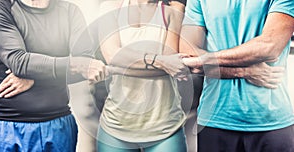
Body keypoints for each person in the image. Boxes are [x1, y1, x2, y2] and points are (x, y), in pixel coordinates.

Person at [180, 0, 294, 151]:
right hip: (215, 118)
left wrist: (205, 60)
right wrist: (244, 72)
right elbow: (188, 54)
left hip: (271, 120)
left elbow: (270, 46)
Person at [0, 0, 106, 151]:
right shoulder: (0, 7)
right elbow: (19, 62)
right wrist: (75, 65)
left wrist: (35, 75)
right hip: (8, 127)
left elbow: (87, 66)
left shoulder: (69, 11)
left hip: (57, 125)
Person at [96, 0, 190, 151]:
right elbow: (112, 55)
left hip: (165, 127)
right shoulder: (110, 7)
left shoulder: (173, 10)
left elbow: (171, 66)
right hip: (116, 125)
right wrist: (158, 61)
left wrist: (117, 68)